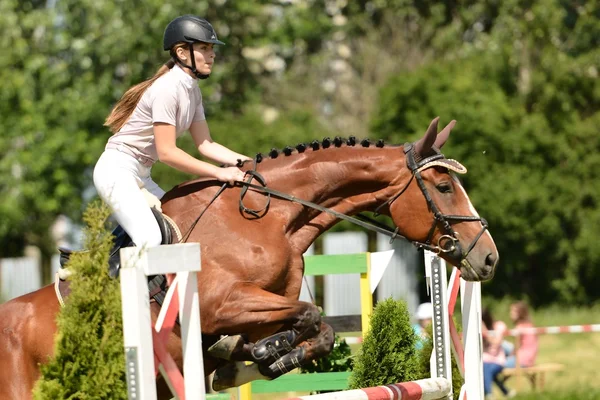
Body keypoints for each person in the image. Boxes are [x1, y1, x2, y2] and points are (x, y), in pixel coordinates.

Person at [94, 15, 251, 253]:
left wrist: (250, 163)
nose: (212, 54)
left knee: (181, 228)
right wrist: (220, 172)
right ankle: (115, 286)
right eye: (204, 48)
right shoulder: (167, 89)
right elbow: (167, 153)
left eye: (212, 49)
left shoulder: (192, 91)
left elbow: (206, 144)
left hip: (141, 174)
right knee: (151, 239)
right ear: (182, 53)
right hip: (116, 171)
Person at [481, 308, 515, 399]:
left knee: (486, 370)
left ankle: (488, 394)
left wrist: (485, 332)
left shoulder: (499, 326)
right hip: (485, 360)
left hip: (497, 360)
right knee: (486, 368)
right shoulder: (478, 329)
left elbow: (496, 342)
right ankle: (504, 391)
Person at [506, 301, 538, 368]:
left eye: (514, 311)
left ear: (520, 313)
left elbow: (516, 346)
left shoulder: (519, 327)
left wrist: (509, 357)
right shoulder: (530, 325)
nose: (511, 313)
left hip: (521, 360)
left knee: (499, 364)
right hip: (530, 359)